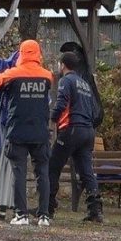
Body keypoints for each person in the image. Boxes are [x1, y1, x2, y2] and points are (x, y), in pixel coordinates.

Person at [0, 40, 54, 226]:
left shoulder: (13, 74)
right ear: (38, 54)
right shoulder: (47, 76)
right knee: (43, 174)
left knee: (19, 173)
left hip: (18, 131)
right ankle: (44, 215)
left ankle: (21, 215)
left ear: (21, 53)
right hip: (40, 132)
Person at [48, 50, 103, 223]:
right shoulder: (84, 84)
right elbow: (95, 109)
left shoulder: (66, 81)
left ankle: (47, 206)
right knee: (87, 171)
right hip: (88, 132)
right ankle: (95, 210)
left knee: (52, 166)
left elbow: (61, 102)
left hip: (72, 129)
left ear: (63, 65)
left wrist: (52, 118)